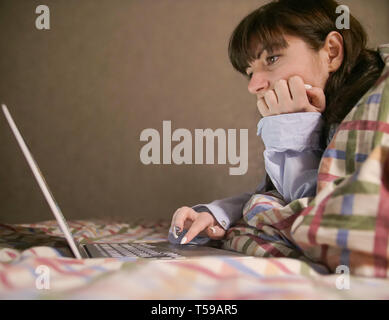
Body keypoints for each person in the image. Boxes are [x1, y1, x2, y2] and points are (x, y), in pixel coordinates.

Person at [167, 0, 387, 267]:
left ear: (331, 52)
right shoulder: (324, 115)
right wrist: (218, 214)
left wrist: (293, 127)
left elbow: (324, 214)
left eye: (271, 58)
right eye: (249, 71)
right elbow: (291, 195)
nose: (254, 85)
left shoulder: (376, 99)